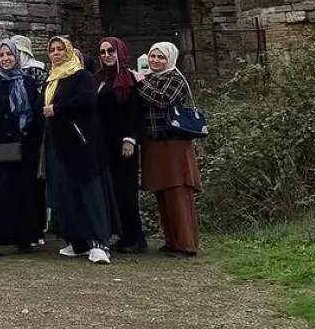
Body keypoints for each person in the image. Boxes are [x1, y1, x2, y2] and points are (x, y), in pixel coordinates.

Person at [42, 36, 116, 265]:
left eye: (60, 49)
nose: (56, 53)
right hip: (59, 146)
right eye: (52, 50)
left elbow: (87, 101)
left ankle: (99, 242)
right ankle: (78, 241)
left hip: (82, 144)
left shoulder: (81, 76)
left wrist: (58, 108)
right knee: (67, 196)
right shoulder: (53, 79)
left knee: (89, 194)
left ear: (69, 52)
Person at [134, 41, 203, 257]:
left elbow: (162, 99)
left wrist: (140, 83)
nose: (155, 61)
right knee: (162, 193)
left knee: (177, 193)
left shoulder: (175, 79)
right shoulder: (154, 78)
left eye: (160, 57)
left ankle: (186, 243)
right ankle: (172, 240)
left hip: (174, 145)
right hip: (157, 144)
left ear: (170, 59)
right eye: (152, 56)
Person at [0, 39, 44, 259]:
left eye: (10, 55)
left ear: (16, 57)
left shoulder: (26, 81)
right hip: (3, 145)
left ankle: (23, 237)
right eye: (1, 55)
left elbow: (35, 113)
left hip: (26, 144)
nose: (6, 58)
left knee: (24, 194)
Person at [95, 36, 147, 253]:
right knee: (113, 191)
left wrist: (130, 138)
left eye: (111, 51)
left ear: (120, 52)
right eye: (103, 52)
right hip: (104, 142)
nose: (107, 55)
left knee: (127, 192)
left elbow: (135, 112)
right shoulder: (99, 79)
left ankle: (136, 238)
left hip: (124, 144)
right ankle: (123, 235)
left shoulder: (128, 78)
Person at [9, 34, 50, 244]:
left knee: (34, 184)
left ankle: (37, 229)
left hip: (33, 133)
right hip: (15, 136)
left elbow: (40, 102)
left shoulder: (36, 71)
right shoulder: (9, 74)